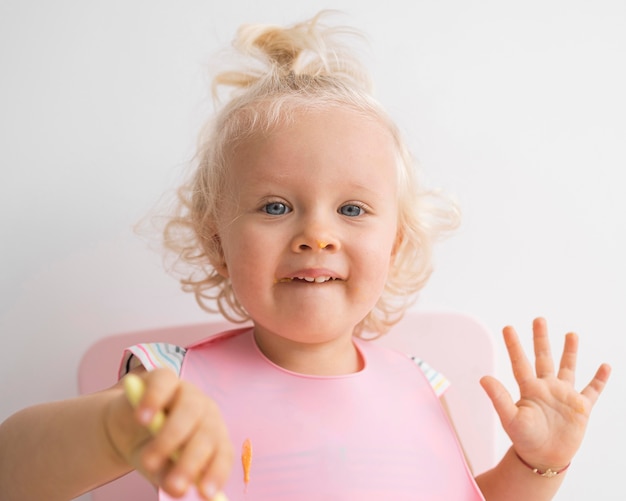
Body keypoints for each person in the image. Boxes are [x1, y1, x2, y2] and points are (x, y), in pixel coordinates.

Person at [0, 11, 611, 501]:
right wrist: (115, 430)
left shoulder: (420, 384)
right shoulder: (170, 381)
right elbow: (14, 472)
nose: (316, 235)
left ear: (394, 244)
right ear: (217, 243)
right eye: (273, 207)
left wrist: (535, 466)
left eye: (351, 210)